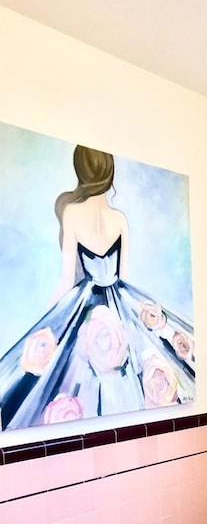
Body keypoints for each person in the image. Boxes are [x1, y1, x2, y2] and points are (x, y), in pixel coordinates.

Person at [0, 145, 195, 430]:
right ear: (109, 172)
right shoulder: (120, 220)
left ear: (80, 170)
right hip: (120, 301)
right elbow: (123, 276)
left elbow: (68, 278)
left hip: (86, 301)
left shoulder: (72, 213)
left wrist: (50, 324)